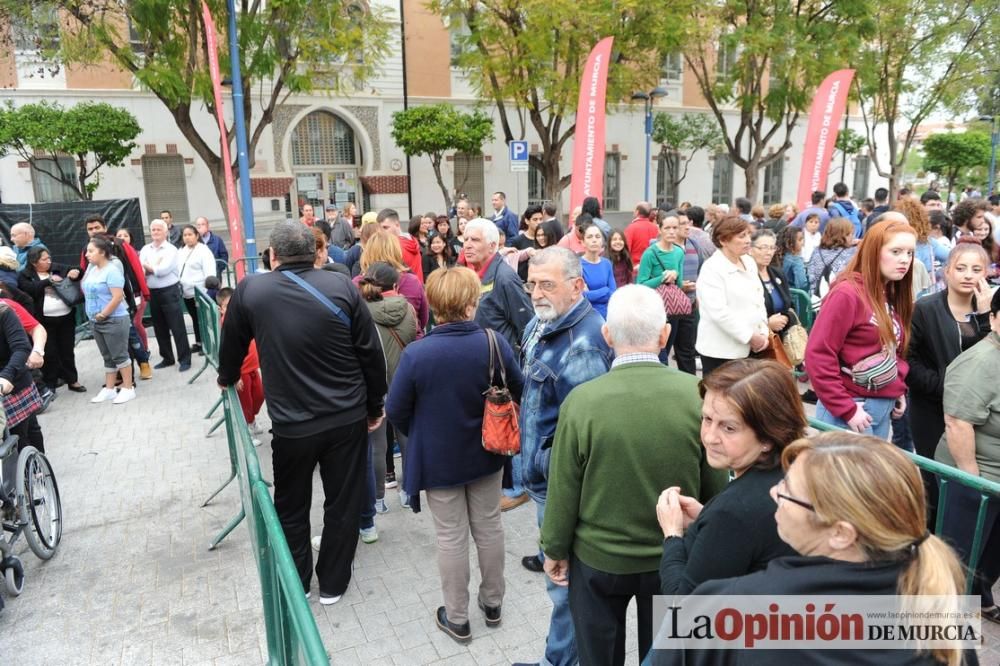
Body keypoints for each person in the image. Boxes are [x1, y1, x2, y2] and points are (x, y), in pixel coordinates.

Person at [649, 432, 971, 666]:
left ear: (841, 534)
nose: (774, 493)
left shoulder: (732, 608)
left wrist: (674, 538)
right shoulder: (942, 617)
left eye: (787, 490)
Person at [540, 286, 727, 666]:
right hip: (673, 557)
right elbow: (715, 484)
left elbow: (564, 488)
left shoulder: (582, 402)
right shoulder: (696, 393)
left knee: (598, 655)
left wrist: (555, 549)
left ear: (607, 335)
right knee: (664, 656)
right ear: (665, 336)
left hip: (598, 558)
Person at [217, 221, 387, 606]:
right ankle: (333, 584)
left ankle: (297, 583)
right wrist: (375, 405)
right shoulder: (343, 286)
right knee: (342, 503)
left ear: (272, 256)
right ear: (315, 254)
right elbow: (370, 353)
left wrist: (226, 376)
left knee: (291, 505)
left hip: (292, 426)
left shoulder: (251, 290)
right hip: (346, 418)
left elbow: (232, 345)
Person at [386, 266, 523, 643]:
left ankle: (458, 617)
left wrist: (426, 432)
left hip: (439, 459)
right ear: (470, 303)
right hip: (488, 450)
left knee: (450, 537)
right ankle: (493, 603)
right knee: (490, 526)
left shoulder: (417, 354)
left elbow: (396, 410)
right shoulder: (493, 342)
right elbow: (519, 386)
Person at [517, 247, 613, 666]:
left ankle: (558, 663)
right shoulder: (543, 323)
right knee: (560, 583)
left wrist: (546, 467)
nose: (536, 292)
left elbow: (587, 439)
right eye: (532, 283)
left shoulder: (583, 347)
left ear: (576, 286)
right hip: (543, 480)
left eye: (547, 285)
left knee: (565, 586)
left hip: (560, 486)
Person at [657, 358, 805, 598]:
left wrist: (672, 534)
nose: (709, 437)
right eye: (707, 419)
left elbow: (682, 603)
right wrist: (704, 522)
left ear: (768, 436)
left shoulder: (733, 512)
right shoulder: (798, 470)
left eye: (729, 428)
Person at [805, 215, 916, 440]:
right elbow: (818, 353)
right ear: (874, 251)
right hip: (849, 409)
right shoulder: (847, 293)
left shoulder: (891, 292)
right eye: (896, 252)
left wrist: (896, 387)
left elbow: (893, 347)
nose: (905, 260)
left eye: (909, 253)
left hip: (880, 408)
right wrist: (846, 408)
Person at [908, 241, 993, 523]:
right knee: (936, 478)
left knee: (970, 479)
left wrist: (984, 316)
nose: (968, 275)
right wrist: (943, 387)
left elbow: (991, 356)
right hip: (931, 407)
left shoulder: (991, 311)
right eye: (961, 268)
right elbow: (909, 360)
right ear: (947, 272)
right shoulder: (925, 308)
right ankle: (931, 535)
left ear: (988, 272)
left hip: (976, 413)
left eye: (976, 269)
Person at [935, 286, 1000, 623]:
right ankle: (941, 631)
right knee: (957, 557)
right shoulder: (980, 362)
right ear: (993, 317)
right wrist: (972, 483)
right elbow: (958, 422)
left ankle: (980, 597)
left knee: (991, 554)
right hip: (976, 479)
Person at [359, 262, 418, 517]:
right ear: (396, 284)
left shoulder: (362, 311)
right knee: (407, 438)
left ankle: (378, 499)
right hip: (406, 382)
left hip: (375, 384)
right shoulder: (408, 308)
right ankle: (409, 493)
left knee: (377, 444)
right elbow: (417, 335)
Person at [695, 215, 769, 377]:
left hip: (751, 347)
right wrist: (750, 336)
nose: (748, 240)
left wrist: (763, 331)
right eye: (741, 236)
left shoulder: (748, 262)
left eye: (748, 235)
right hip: (721, 350)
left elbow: (758, 299)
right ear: (723, 240)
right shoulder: (712, 268)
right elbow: (718, 312)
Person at [84, 215, 153, 380]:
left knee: (130, 333)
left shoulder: (119, 246)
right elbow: (84, 275)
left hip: (122, 301)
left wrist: (144, 292)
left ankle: (142, 363)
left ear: (105, 227)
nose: (94, 231)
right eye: (90, 229)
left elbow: (135, 267)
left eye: (97, 227)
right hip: (99, 304)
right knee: (112, 342)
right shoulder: (87, 250)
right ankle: (121, 376)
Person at [18, 247, 85, 393]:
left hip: (66, 317)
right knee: (49, 353)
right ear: (34, 262)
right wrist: (48, 281)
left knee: (67, 350)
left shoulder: (56, 268)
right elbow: (31, 290)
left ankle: (72, 380)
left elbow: (75, 270)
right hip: (44, 321)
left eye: (49, 258)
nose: (49, 261)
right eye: (44, 259)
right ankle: (51, 384)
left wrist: (76, 272)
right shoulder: (26, 275)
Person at [463, 218, 533, 351]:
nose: (467, 245)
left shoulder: (505, 278)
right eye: (466, 239)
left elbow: (526, 326)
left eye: (475, 240)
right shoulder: (471, 275)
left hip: (500, 363)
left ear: (491, 246)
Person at [82, 236, 136, 405]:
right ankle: (110, 389)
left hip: (113, 320)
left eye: (91, 251)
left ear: (103, 252)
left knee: (120, 355)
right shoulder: (92, 269)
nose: (87, 255)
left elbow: (118, 297)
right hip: (95, 320)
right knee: (108, 357)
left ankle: (128, 388)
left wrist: (104, 314)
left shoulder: (112, 270)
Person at [636, 214, 687, 365]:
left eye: (675, 228)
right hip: (654, 309)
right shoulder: (650, 253)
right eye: (667, 228)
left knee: (668, 346)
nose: (672, 232)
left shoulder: (678, 252)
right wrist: (662, 277)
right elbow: (641, 284)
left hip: (672, 309)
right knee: (657, 353)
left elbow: (678, 286)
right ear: (659, 229)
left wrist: (675, 275)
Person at [216, 287, 264, 443]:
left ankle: (251, 421)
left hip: (253, 368)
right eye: (227, 307)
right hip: (241, 371)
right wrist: (234, 376)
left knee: (259, 395)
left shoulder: (244, 318)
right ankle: (246, 433)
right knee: (245, 403)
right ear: (221, 310)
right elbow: (229, 350)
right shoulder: (227, 323)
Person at [357, 230, 429, 331]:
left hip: (374, 343)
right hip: (410, 342)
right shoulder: (412, 281)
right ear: (396, 250)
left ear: (367, 252)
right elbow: (423, 319)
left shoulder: (357, 283)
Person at [0, 301, 44, 452]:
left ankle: (37, 472)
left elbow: (21, 347)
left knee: (22, 436)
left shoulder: (4, 312)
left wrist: (6, 376)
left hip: (12, 379)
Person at [177, 224, 219, 355]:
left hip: (200, 292)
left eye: (190, 234)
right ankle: (199, 342)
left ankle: (207, 344)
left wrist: (206, 292)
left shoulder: (204, 251)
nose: (187, 238)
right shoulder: (182, 251)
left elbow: (210, 273)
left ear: (196, 236)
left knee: (203, 319)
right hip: (186, 292)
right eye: (185, 235)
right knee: (195, 318)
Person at [749, 229, 795, 343]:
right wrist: (767, 324)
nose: (769, 252)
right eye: (763, 248)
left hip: (781, 339)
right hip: (758, 342)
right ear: (750, 249)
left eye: (772, 248)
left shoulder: (777, 273)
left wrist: (786, 318)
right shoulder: (746, 277)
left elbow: (790, 305)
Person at [806, 216, 856, 299]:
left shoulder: (816, 251)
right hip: (841, 298)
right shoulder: (852, 252)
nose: (853, 237)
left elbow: (811, 276)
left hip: (817, 300)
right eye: (851, 234)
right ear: (844, 235)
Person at [378, 208, 424, 282]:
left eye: (385, 227)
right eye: (380, 228)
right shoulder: (411, 239)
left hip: (403, 289)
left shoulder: (394, 246)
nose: (382, 232)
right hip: (417, 288)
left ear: (397, 224)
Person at [580, 225, 616, 318]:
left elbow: (612, 293)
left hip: (607, 316)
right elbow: (580, 297)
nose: (594, 240)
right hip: (586, 316)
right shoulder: (578, 265)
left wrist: (590, 294)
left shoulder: (607, 263)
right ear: (583, 242)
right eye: (589, 237)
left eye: (597, 236)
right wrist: (605, 290)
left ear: (602, 242)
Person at [625, 203, 659, 268]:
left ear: (637, 212)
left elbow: (626, 250)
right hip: (653, 267)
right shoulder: (656, 228)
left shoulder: (631, 228)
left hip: (636, 268)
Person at [776, 225, 808, 291]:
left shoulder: (778, 255)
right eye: (800, 240)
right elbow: (801, 283)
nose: (803, 242)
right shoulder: (796, 260)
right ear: (790, 243)